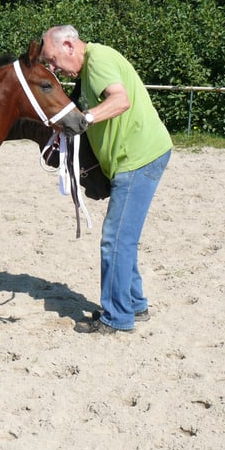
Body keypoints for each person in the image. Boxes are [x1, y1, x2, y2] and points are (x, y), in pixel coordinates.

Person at [39, 25, 173, 334]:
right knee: (122, 237)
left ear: (70, 46)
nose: (53, 68)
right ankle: (135, 305)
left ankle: (117, 318)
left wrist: (85, 119)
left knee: (115, 239)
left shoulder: (97, 61)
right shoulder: (87, 70)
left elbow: (120, 100)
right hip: (135, 159)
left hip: (138, 159)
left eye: (53, 59)